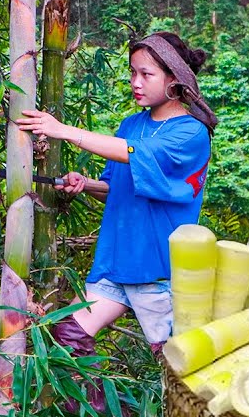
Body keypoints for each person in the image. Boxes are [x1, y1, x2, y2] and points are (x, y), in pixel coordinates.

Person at [16, 31, 217, 361]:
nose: (136, 82)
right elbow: (118, 187)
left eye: (146, 74)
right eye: (132, 72)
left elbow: (134, 154)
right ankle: (108, 415)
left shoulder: (190, 132)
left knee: (180, 370)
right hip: (116, 264)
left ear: (174, 79)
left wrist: (62, 130)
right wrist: (86, 184)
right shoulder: (130, 125)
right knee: (67, 341)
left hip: (156, 270)